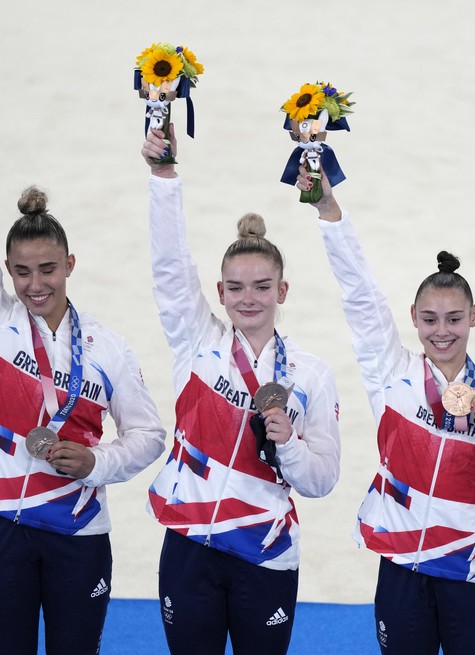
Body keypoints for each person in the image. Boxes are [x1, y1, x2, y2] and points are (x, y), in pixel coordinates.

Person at [0, 82, 167, 655]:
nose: (36, 285)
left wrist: (97, 462)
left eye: (48, 270)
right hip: (1, 527)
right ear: (7, 271)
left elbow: (150, 435)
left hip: (78, 532)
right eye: (22, 272)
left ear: (70, 264)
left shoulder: (107, 349)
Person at [298, 169, 475, 654]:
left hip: (469, 569)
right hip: (402, 565)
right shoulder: (391, 374)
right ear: (413, 317)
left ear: (474, 316)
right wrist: (329, 213)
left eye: (454, 319)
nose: (442, 331)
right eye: (429, 319)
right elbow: (361, 298)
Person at [140, 125, 342, 655]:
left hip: (265, 550)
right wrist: (163, 176)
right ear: (219, 291)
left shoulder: (311, 373)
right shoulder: (195, 342)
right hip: (190, 546)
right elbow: (167, 268)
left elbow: (322, 481)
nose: (247, 299)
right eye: (235, 287)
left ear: (283, 291)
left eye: (260, 287)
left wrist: (291, 445)